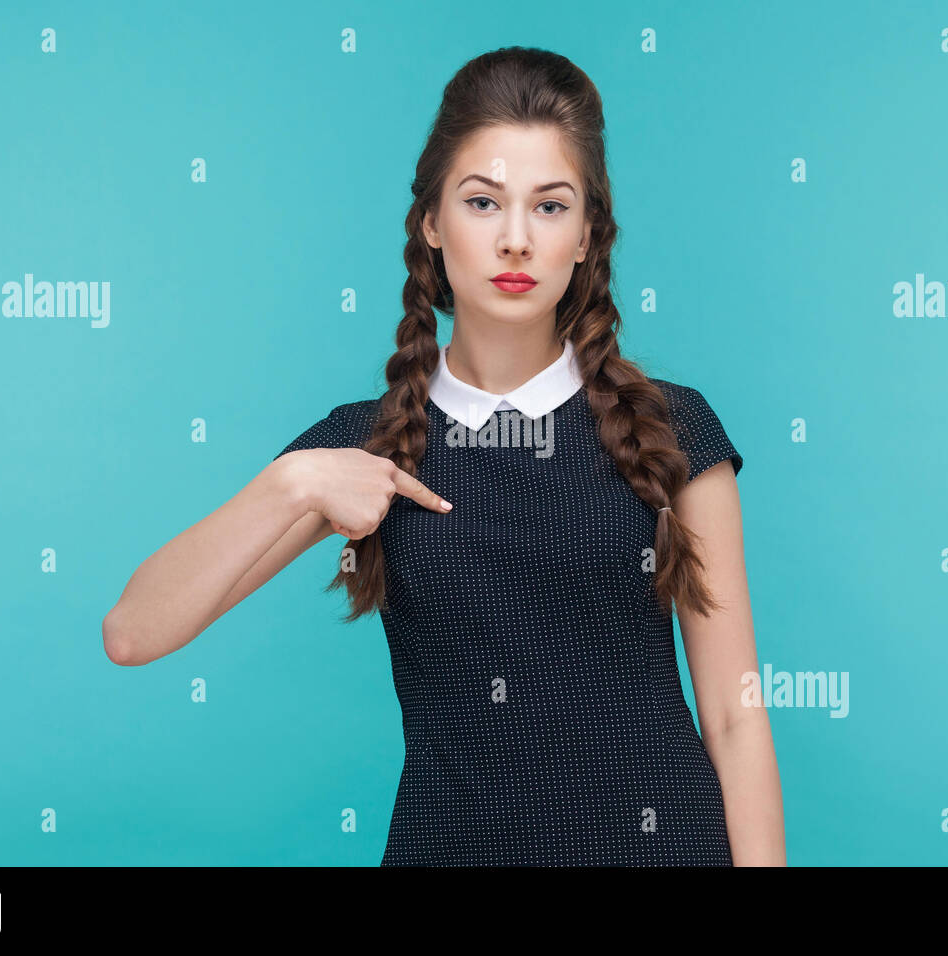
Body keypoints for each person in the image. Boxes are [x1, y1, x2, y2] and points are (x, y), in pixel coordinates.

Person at [103, 46, 785, 867]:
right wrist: (292, 483)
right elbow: (133, 632)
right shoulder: (366, 446)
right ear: (432, 222)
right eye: (482, 201)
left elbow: (736, 713)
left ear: (587, 237)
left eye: (550, 207)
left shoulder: (674, 428)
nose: (515, 240)